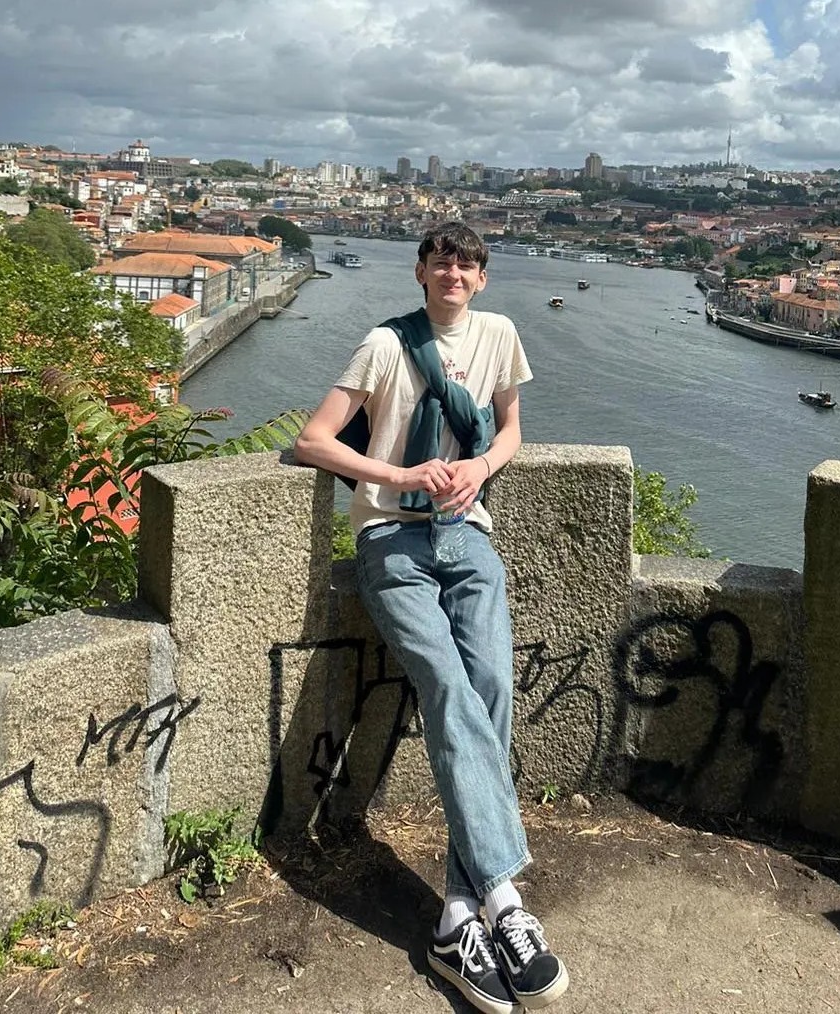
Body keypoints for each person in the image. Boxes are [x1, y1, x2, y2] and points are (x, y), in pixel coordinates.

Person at [294, 222, 569, 1013]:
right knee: (448, 685)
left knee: (491, 687)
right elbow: (316, 440)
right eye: (442, 259)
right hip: (389, 537)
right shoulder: (384, 345)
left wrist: (479, 466)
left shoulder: (501, 336)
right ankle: (505, 899)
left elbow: (511, 425)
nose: (455, 271)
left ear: (482, 280)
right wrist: (400, 474)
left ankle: (459, 913)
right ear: (420, 271)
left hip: (467, 534)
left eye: (469, 263)